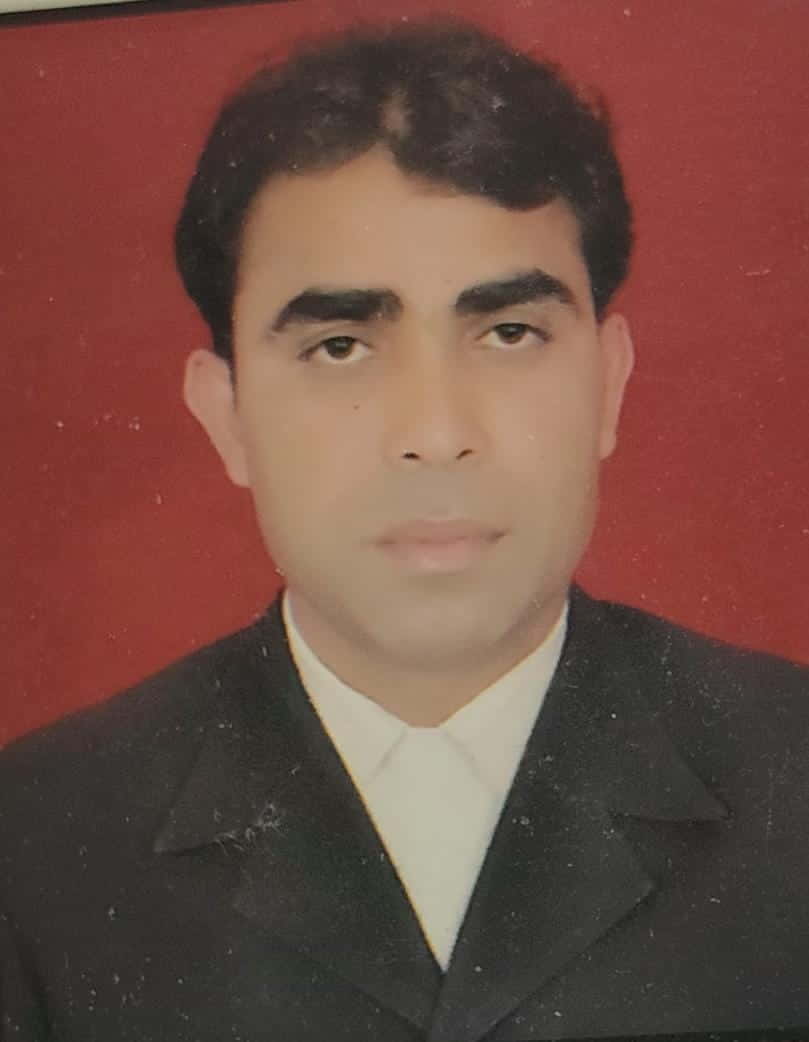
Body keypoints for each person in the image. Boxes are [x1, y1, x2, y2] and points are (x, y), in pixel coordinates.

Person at [1, 16, 808, 1042]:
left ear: (607, 385)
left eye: (507, 332)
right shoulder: (33, 843)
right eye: (340, 346)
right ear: (226, 415)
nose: (434, 434)